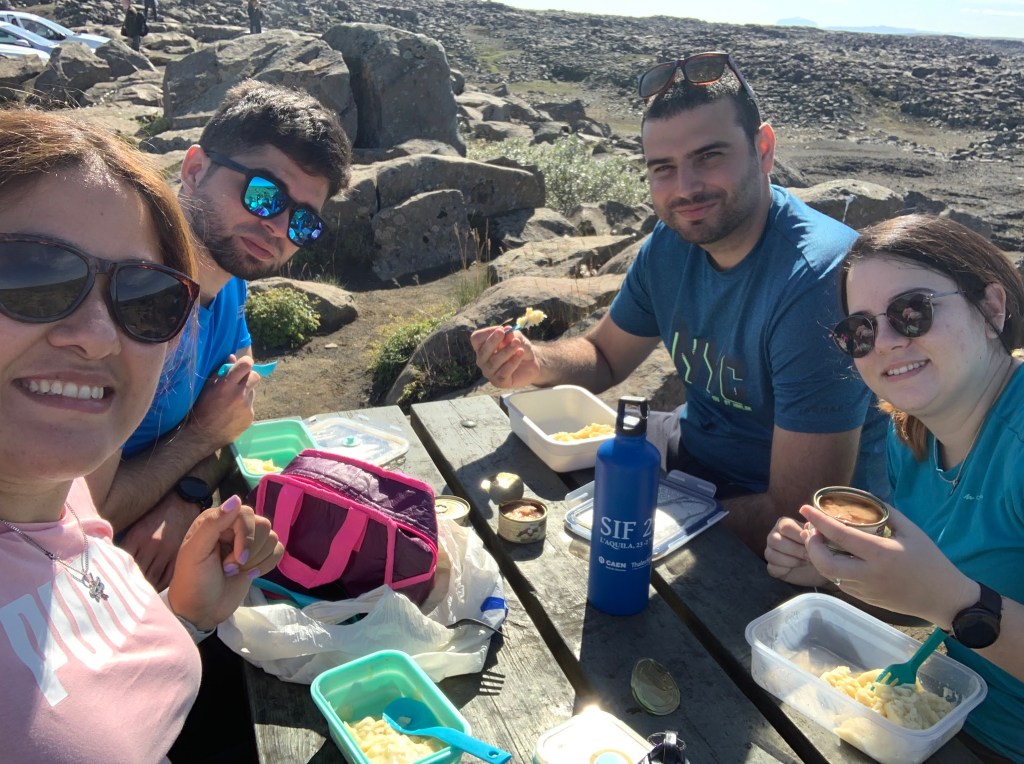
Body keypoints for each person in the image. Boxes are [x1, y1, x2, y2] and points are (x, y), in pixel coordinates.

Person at [471, 51, 887, 553]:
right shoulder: (670, 247)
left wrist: (651, 516)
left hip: (791, 531)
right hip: (693, 462)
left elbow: (797, 511)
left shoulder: (817, 282)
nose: (686, 188)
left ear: (763, 148)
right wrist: (534, 360)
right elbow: (604, 357)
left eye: (709, 157)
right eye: (663, 168)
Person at [0, 108, 283, 762]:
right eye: (33, 276)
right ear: (196, 166)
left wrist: (184, 615)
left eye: (146, 300)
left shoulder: (62, 491)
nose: (98, 336)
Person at [765, 215, 1024, 762]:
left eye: (913, 311)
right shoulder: (915, 435)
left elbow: (948, 595)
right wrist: (842, 571)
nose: (882, 342)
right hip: (925, 714)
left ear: (993, 308)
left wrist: (954, 604)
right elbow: (932, 589)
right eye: (859, 331)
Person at [86, 79, 351, 591]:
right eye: (264, 194)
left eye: (304, 223)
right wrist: (204, 438)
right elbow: (88, 507)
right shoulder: (128, 303)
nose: (278, 227)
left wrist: (186, 496)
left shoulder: (226, 285)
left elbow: (236, 413)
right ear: (194, 169)